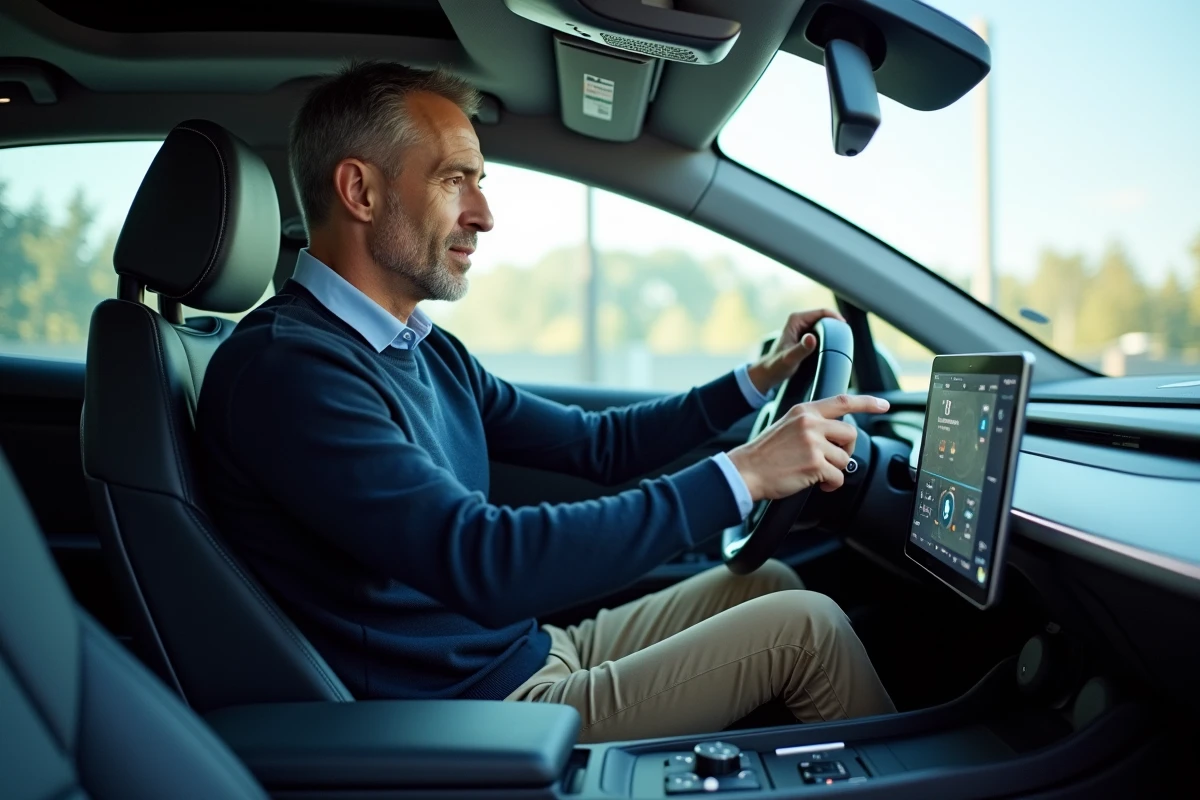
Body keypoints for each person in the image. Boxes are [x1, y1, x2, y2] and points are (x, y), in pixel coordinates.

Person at [196, 61, 896, 743]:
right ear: (361, 191)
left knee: (765, 582)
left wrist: (754, 381)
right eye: (454, 180)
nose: (485, 214)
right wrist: (743, 475)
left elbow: (597, 445)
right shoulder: (290, 371)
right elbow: (482, 560)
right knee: (806, 632)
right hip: (477, 714)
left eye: (480, 182)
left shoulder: (420, 349)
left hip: (522, 652)